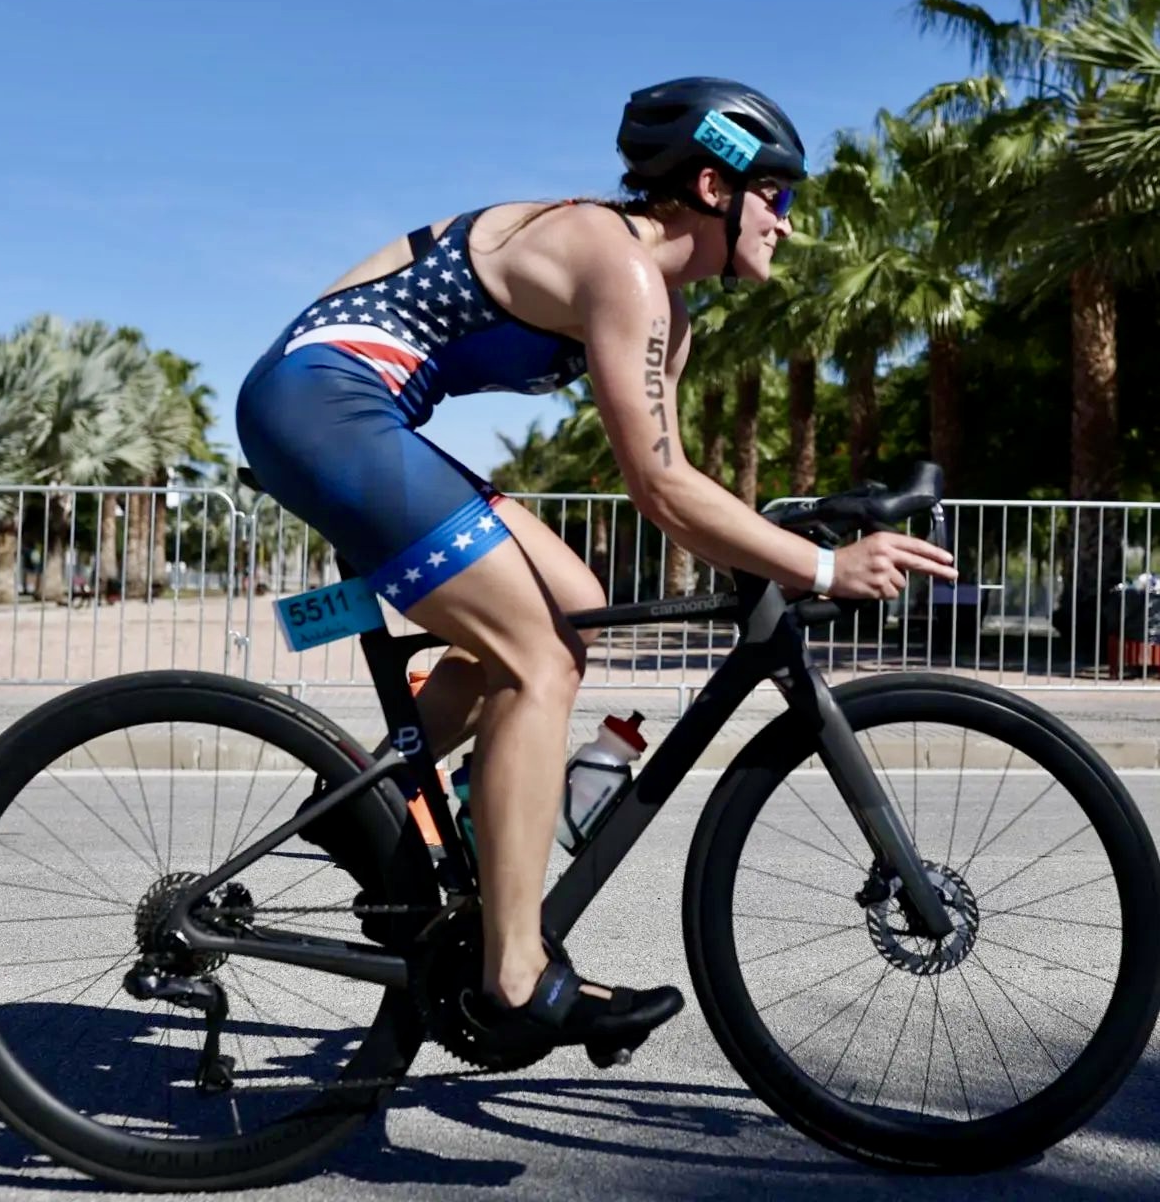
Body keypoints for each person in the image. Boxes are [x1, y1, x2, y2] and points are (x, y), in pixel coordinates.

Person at [235, 77, 958, 1056]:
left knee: (571, 611)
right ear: (712, 185)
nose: (786, 226)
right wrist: (822, 571)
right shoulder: (612, 262)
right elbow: (662, 493)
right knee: (536, 658)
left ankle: (363, 809)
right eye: (777, 199)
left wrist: (806, 527)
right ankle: (513, 971)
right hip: (319, 402)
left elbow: (676, 486)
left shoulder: (666, 308)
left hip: (358, 414)